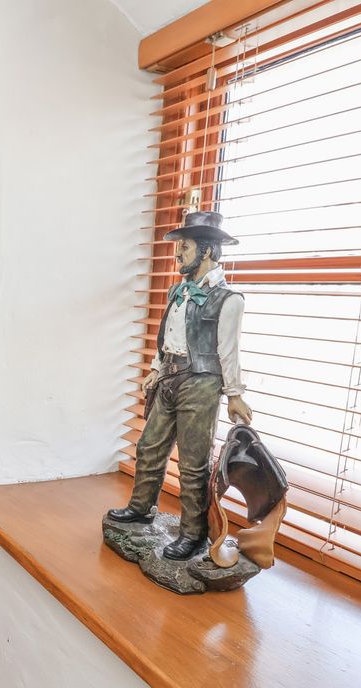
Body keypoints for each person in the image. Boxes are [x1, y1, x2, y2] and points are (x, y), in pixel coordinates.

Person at [108, 211, 253, 560]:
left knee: (193, 463)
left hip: (201, 384)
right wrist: (156, 369)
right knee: (149, 446)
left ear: (207, 250)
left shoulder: (229, 299)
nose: (178, 254)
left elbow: (228, 351)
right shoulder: (178, 290)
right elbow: (167, 337)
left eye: (185, 247)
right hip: (170, 378)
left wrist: (234, 394)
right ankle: (141, 508)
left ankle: (193, 534)